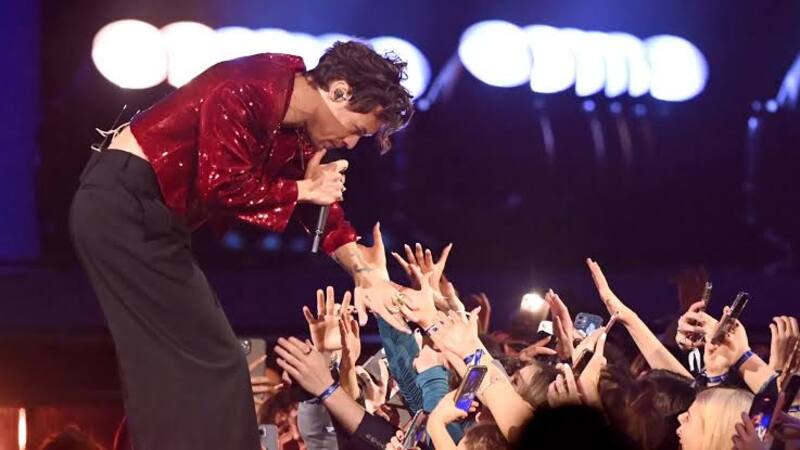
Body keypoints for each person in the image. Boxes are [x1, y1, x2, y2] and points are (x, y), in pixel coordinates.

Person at [69, 40, 414, 450]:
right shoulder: (247, 88)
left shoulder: (294, 125)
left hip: (151, 222)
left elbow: (321, 213)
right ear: (338, 91)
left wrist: (361, 269)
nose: (352, 144)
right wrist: (305, 188)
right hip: (123, 208)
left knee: (185, 363)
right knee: (205, 361)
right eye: (358, 130)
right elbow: (222, 185)